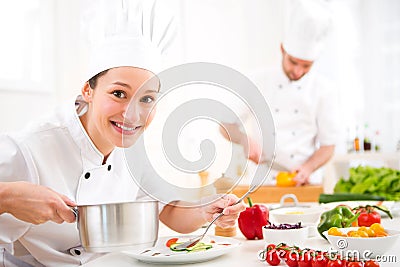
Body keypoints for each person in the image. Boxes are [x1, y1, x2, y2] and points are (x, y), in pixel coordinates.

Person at [0, 1, 245, 266]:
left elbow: (169, 213)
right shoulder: (32, 146)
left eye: (147, 98)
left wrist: (206, 210)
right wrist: (7, 197)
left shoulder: (135, 148)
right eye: (119, 94)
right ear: (88, 91)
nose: (133, 114)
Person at [220, 0, 339, 186]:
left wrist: (308, 168)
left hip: (305, 183)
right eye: (293, 62)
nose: (298, 71)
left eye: (306, 66)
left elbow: (328, 146)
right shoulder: (257, 81)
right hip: (264, 182)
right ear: (282, 49)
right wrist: (244, 140)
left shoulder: (324, 89)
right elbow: (224, 123)